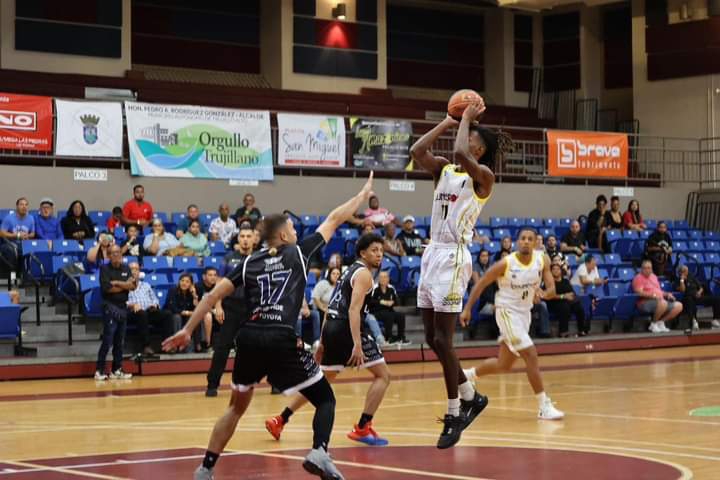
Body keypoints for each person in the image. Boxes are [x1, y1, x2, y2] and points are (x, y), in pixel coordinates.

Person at [162, 173, 375, 480]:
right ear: (285, 236)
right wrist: (362, 194)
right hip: (280, 337)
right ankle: (319, 451)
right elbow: (335, 218)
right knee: (325, 399)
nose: (295, 230)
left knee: (235, 408)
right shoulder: (298, 253)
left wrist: (187, 330)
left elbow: (210, 296)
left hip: (248, 338)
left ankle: (205, 468)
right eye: (291, 228)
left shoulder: (248, 263)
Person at [410, 101, 512, 448]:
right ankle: (472, 396)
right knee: (431, 338)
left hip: (454, 257)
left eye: (471, 139)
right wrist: (448, 120)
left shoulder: (484, 177)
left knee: (444, 341)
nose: (465, 141)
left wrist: (466, 119)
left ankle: (455, 412)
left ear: (479, 150)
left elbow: (459, 150)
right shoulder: (444, 170)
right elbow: (416, 150)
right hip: (431, 253)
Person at [266, 233, 391, 447]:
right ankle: (363, 427)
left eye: (381, 250)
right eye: (374, 250)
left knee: (320, 381)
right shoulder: (364, 275)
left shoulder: (345, 273)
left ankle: (281, 419)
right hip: (348, 330)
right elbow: (353, 310)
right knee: (383, 376)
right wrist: (357, 345)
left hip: (332, 328)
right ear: (363, 253)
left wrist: (322, 341)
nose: (379, 254)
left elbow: (330, 307)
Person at [461, 228, 564, 420]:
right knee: (531, 355)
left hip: (524, 314)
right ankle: (544, 406)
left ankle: (467, 375)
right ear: (518, 242)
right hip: (506, 311)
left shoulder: (543, 260)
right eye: (522, 238)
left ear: (535, 243)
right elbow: (481, 283)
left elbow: (551, 288)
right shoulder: (506, 263)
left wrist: (544, 293)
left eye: (530, 239)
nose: (525, 241)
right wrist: (467, 309)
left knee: (504, 364)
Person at [94, 245, 135, 381]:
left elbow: (133, 286)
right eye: (113, 253)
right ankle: (99, 370)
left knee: (120, 341)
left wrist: (118, 282)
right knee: (108, 340)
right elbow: (107, 289)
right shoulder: (104, 269)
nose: (116, 255)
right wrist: (125, 286)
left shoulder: (126, 268)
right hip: (109, 307)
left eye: (118, 252)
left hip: (123, 307)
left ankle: (116, 369)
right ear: (109, 256)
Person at [127, 262, 168, 355]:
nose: (134, 272)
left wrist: (154, 305)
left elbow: (154, 299)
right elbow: (120, 302)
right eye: (131, 269)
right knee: (142, 314)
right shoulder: (124, 285)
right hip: (133, 312)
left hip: (148, 311)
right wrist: (132, 304)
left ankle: (167, 345)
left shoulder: (146, 285)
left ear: (139, 272)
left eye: (136, 269)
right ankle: (146, 346)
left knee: (167, 314)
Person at [633, 260, 683, 333]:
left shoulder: (654, 277)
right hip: (644, 302)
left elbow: (659, 291)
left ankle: (661, 322)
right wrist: (652, 295)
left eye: (649, 268)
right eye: (645, 268)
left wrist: (667, 294)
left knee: (679, 305)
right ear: (641, 269)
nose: (647, 270)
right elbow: (639, 293)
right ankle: (653, 324)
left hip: (660, 300)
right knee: (663, 303)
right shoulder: (638, 278)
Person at [545, 262, 588, 337]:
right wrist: (563, 296)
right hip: (554, 303)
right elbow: (549, 295)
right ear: (551, 271)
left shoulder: (566, 281)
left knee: (579, 307)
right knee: (564, 307)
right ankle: (563, 332)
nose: (556, 271)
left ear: (561, 271)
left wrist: (570, 296)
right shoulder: (549, 282)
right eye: (553, 269)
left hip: (567, 302)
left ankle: (582, 330)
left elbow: (572, 292)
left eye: (557, 269)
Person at [674, 265, 720, 330]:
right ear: (679, 272)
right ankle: (693, 320)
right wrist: (682, 280)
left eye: (686, 271)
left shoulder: (691, 277)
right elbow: (682, 290)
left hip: (697, 296)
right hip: (687, 298)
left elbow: (701, 287)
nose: (686, 272)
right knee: (689, 300)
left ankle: (715, 320)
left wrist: (699, 292)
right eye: (684, 271)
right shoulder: (677, 280)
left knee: (716, 299)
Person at [368, 270, 408, 345]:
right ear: (379, 279)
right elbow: (370, 301)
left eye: (385, 277)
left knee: (401, 316)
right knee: (389, 316)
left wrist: (392, 302)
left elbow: (396, 301)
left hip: (389, 310)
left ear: (388, 279)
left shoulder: (391, 288)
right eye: (381, 277)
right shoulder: (375, 288)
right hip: (376, 312)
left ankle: (401, 337)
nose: (383, 279)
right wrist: (381, 302)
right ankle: (389, 337)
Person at [163, 273, 198, 353]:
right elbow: (171, 307)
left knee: (192, 318)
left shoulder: (191, 294)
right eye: (182, 281)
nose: (184, 283)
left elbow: (196, 309)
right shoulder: (173, 290)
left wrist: (194, 295)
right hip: (171, 314)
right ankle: (175, 345)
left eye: (187, 282)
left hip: (185, 315)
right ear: (179, 282)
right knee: (177, 317)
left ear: (191, 284)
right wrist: (185, 312)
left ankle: (189, 348)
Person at [0, 198, 36, 273]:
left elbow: (33, 234)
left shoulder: (31, 218)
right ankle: (13, 278)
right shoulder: (9, 218)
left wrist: (28, 235)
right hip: (9, 244)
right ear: (17, 207)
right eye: (21, 204)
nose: (24, 207)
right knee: (12, 252)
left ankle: (26, 277)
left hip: (24, 244)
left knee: (33, 250)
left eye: (26, 205)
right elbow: (1, 233)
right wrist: (17, 235)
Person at [195, 266, 222, 352]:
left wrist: (218, 310)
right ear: (204, 277)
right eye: (210, 275)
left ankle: (229, 344)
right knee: (208, 315)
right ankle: (208, 344)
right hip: (202, 312)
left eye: (215, 275)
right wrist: (212, 311)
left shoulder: (219, 286)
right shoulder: (198, 286)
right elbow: (197, 305)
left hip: (216, 311)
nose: (213, 277)